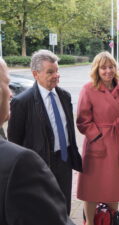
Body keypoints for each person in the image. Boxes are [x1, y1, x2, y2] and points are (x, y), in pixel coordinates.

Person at [0, 58, 75, 225]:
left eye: (57, 70)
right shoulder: (22, 101)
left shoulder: (64, 96)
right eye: (50, 72)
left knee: (64, 205)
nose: (56, 75)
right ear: (36, 74)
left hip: (64, 161)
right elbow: (14, 140)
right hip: (39, 164)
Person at [76, 51, 119, 225]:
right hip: (97, 145)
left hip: (117, 143)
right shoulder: (89, 88)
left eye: (111, 67)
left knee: (113, 186)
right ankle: (90, 222)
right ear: (97, 69)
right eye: (103, 68)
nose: (108, 71)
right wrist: (98, 136)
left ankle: (110, 219)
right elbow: (82, 120)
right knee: (91, 187)